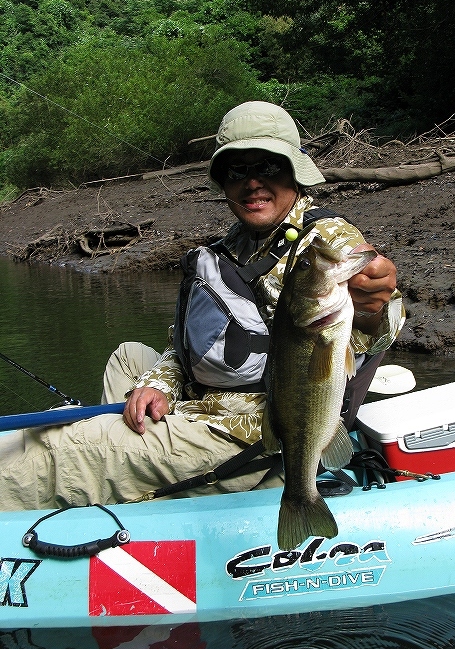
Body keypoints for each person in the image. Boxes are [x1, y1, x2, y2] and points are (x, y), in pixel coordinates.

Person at [0, 102, 404, 512]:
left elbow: (376, 323)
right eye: (237, 171)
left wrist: (374, 306)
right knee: (129, 357)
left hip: (255, 434)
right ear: (222, 181)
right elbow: (187, 344)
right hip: (209, 398)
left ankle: (86, 464)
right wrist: (159, 384)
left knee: (62, 445)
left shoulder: (325, 240)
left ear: (295, 171)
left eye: (268, 166)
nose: (252, 183)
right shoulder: (235, 242)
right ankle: (131, 480)